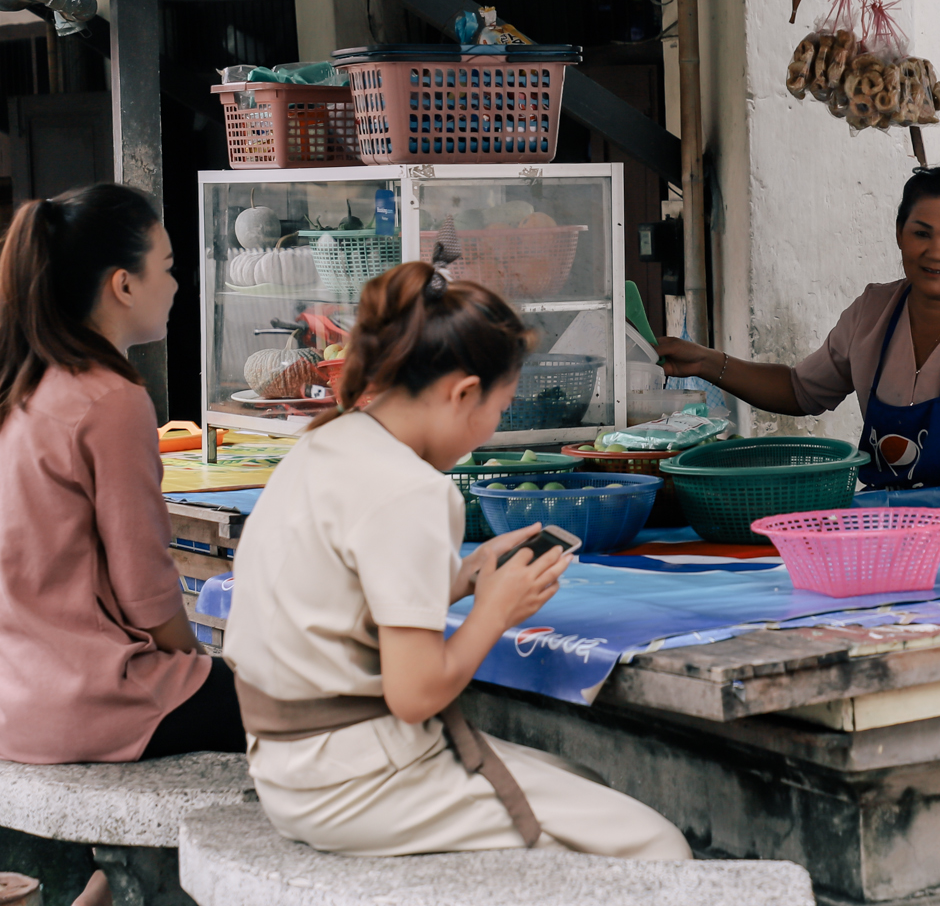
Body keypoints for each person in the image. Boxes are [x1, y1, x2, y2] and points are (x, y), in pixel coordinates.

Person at [221, 256, 690, 859]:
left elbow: (337, 602)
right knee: (656, 847)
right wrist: (493, 611)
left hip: (288, 763)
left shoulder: (326, 442)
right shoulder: (412, 490)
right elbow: (415, 696)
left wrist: (464, 579)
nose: (493, 427)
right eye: (499, 409)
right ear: (464, 393)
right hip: (356, 783)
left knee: (583, 784)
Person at [0, 183, 242, 772]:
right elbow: (145, 586)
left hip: (0, 702)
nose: (176, 285)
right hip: (87, 701)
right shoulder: (110, 400)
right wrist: (201, 665)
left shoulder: (12, 388)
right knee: (317, 705)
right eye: (167, 268)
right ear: (124, 284)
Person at [658, 167, 940, 535]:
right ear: (900, 233)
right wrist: (708, 362)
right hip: (889, 525)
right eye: (921, 233)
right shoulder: (871, 314)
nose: (935, 252)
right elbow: (801, 390)